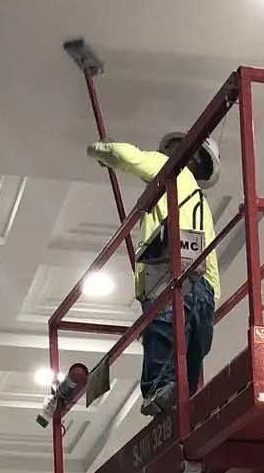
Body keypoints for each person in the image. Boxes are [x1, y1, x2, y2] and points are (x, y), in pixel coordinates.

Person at [85, 132, 220, 419]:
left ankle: (169, 393)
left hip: (178, 273)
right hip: (191, 280)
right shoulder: (191, 192)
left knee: (170, 332)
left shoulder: (178, 179)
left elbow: (128, 156)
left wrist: (100, 152)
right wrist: (211, 294)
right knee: (187, 343)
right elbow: (212, 264)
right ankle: (175, 397)